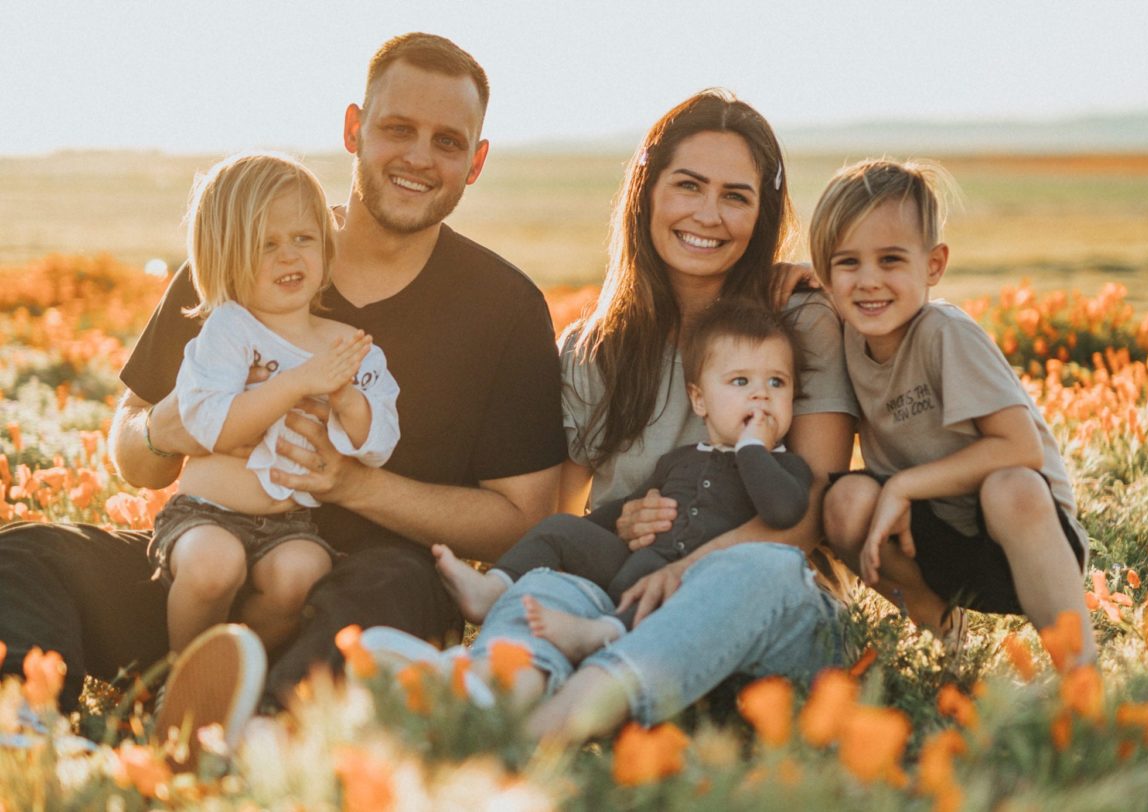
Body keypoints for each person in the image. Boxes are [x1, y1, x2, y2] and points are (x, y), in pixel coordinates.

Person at [0, 32, 565, 752]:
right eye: (398, 129)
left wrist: (352, 484)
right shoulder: (248, 251)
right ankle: (26, 730)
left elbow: (520, 519)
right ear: (354, 129)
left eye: (447, 141)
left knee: (393, 587)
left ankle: (246, 737)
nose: (420, 157)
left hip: (357, 600)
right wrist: (166, 431)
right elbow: (133, 449)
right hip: (204, 572)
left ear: (476, 162)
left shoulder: (504, 308)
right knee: (29, 554)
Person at [366, 89, 858, 743]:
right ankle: (493, 694)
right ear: (647, 191)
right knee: (550, 582)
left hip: (768, 616)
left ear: (761, 213)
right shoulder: (593, 350)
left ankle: (548, 729)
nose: (709, 215)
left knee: (753, 568)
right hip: (624, 602)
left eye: (736, 196)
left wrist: (685, 568)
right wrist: (618, 523)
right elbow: (554, 514)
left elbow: (808, 517)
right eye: (688, 186)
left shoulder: (797, 322)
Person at [812, 158, 1096, 664]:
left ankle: (1080, 673)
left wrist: (903, 485)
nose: (869, 281)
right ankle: (946, 640)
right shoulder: (847, 340)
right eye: (848, 263)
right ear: (826, 274)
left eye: (892, 260)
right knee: (844, 500)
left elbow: (1020, 447)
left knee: (1011, 486)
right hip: (935, 544)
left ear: (934, 265)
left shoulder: (945, 334)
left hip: (1023, 541)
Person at [433, 301, 812, 661]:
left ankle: (602, 632)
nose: (761, 394)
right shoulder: (680, 459)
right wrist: (592, 531)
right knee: (560, 528)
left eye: (777, 383)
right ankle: (493, 588)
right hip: (633, 562)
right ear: (700, 400)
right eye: (741, 381)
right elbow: (624, 507)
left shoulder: (787, 469)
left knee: (661, 589)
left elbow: (782, 511)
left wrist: (752, 450)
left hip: (695, 585)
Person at [151, 151, 400, 657]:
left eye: (303, 239)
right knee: (214, 566)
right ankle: (180, 675)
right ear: (225, 257)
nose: (289, 257)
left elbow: (378, 444)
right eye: (266, 245)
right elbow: (212, 428)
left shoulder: (349, 344)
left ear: (326, 249)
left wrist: (344, 397)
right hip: (205, 513)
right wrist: (299, 381)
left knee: (302, 574)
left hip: (289, 525)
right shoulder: (228, 329)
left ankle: (239, 673)